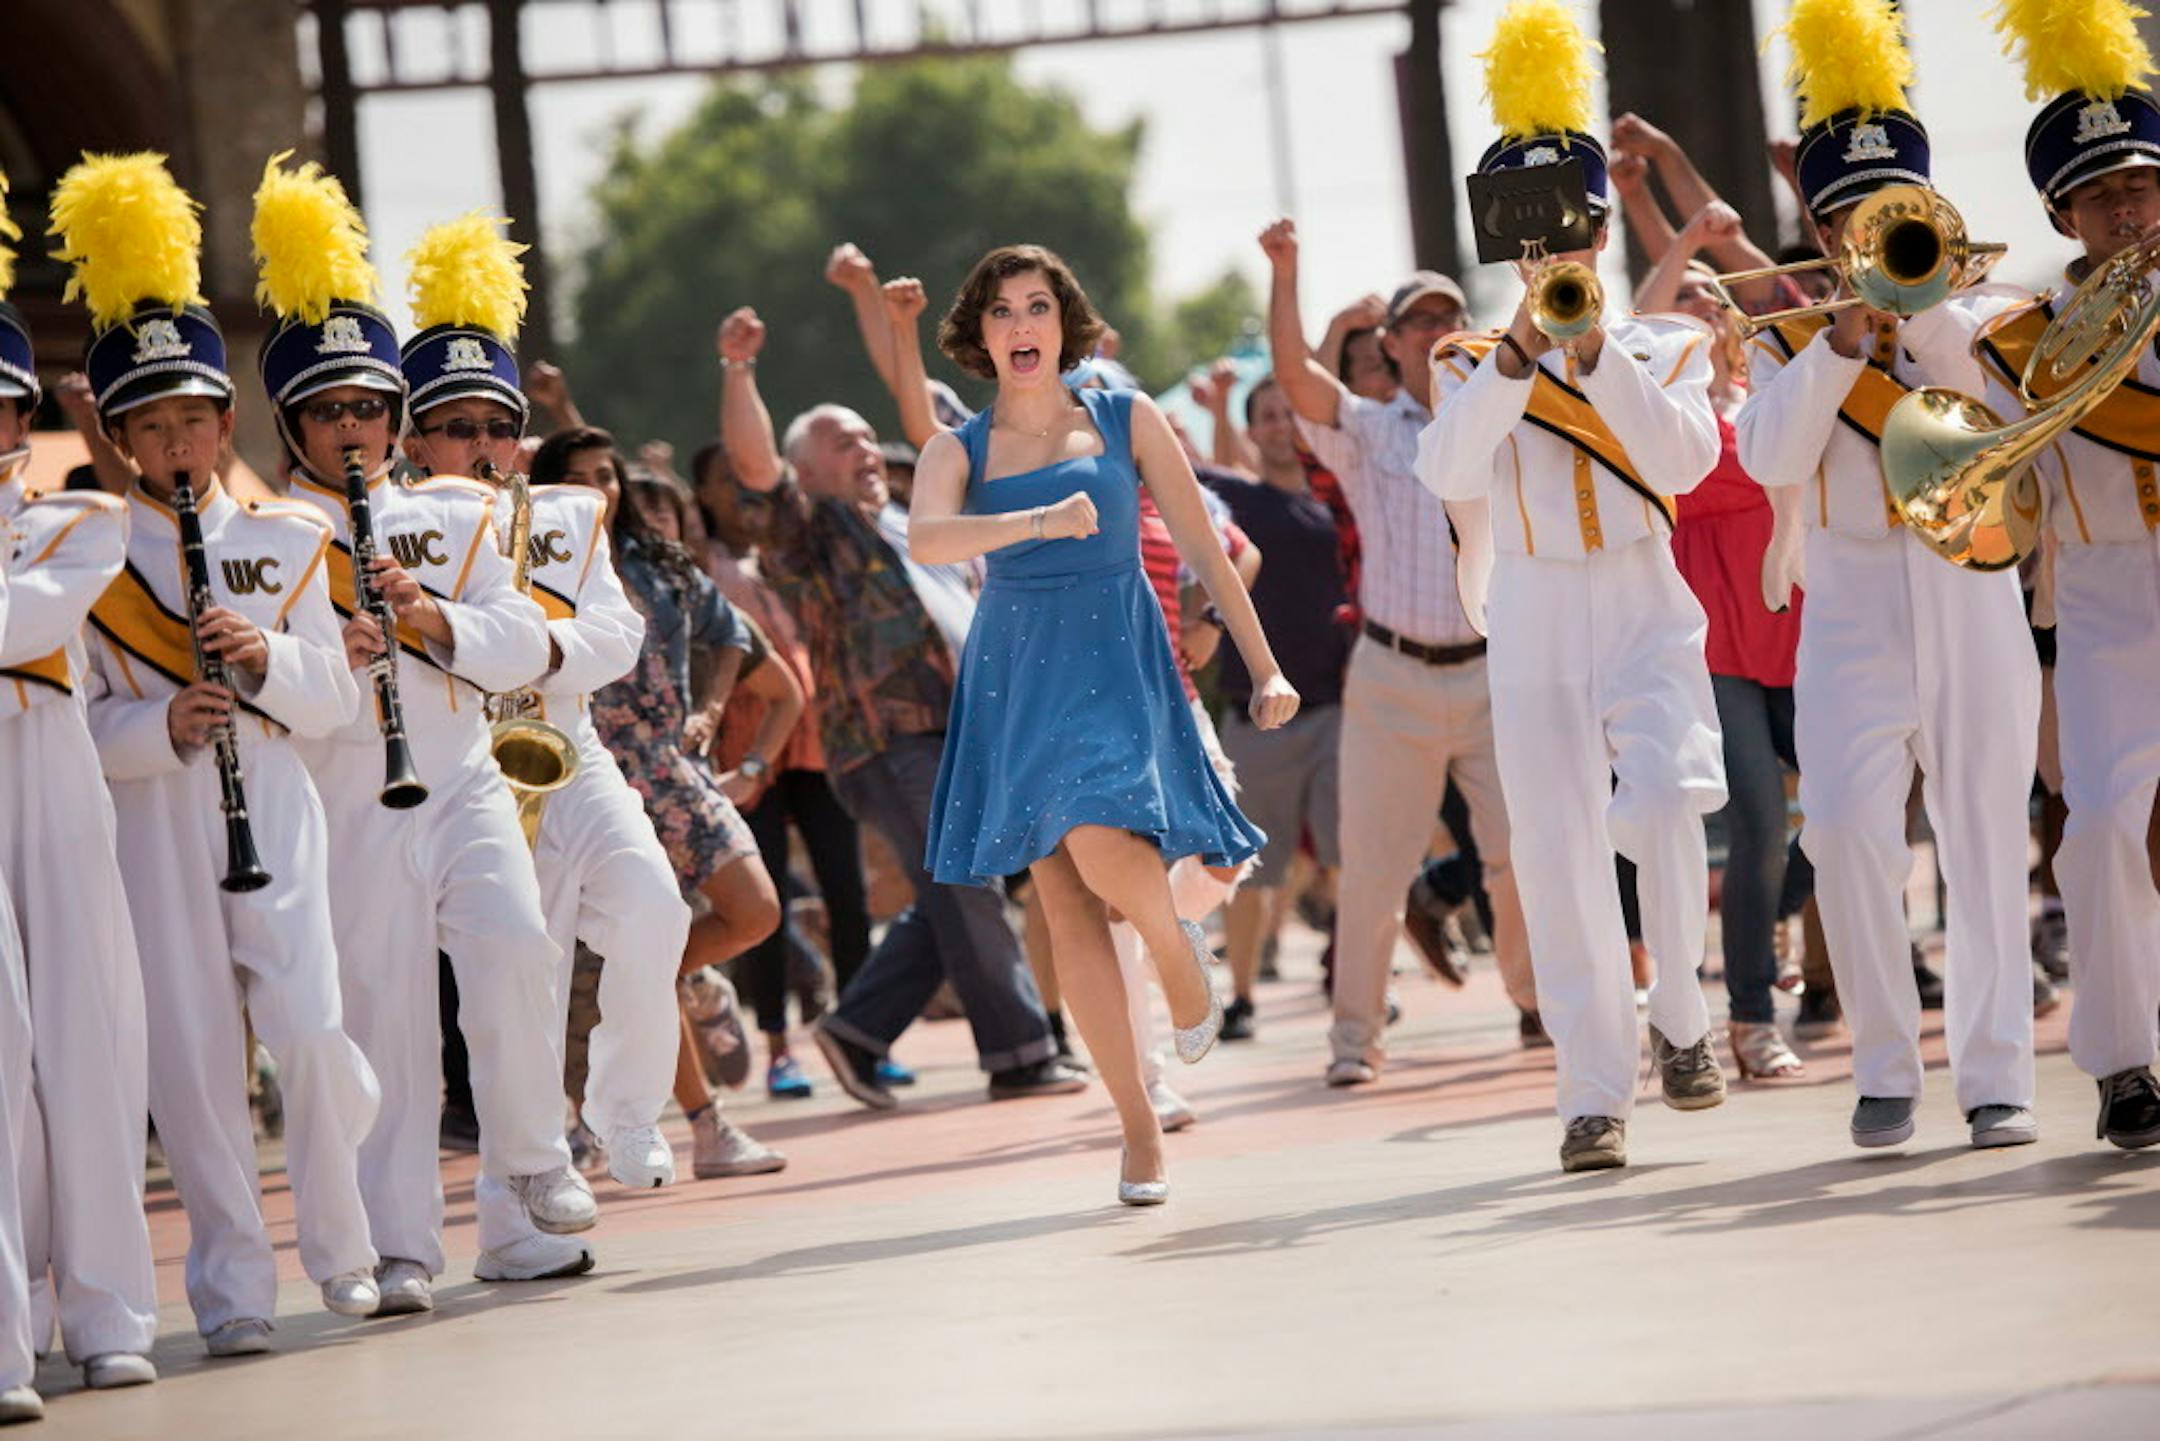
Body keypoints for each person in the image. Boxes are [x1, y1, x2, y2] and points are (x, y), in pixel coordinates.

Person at [58, 152, 385, 1352]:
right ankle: (234, 1290)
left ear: (225, 420)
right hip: (156, 822)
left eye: (193, 417)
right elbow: (77, 729)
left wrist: (265, 659)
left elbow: (338, 702)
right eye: (153, 424)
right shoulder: (87, 555)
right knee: (194, 1062)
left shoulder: (289, 537)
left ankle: (344, 1251)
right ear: (122, 438)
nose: (178, 440)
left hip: (276, 806)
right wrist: (161, 726)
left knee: (310, 1025)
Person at [265, 187, 598, 1310]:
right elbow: (263, 686)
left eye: (370, 406)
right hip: (345, 791)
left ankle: (533, 1158)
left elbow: (523, 643)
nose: (352, 428)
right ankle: (400, 1244)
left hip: (457, 773)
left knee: (515, 944)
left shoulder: (454, 513)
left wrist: (429, 616)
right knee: (387, 1018)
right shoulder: (264, 535)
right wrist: (334, 650)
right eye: (328, 412)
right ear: (292, 425)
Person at [908, 242, 1296, 1202]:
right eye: (1002, 310)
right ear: (980, 334)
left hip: (1119, 656)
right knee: (1062, 897)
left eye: (1037, 306)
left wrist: (1265, 665)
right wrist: (1035, 524)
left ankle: (1169, 942)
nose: (1021, 324)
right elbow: (927, 537)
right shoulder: (957, 449)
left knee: (1095, 837)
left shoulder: (1128, 418)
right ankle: (1138, 1129)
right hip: (1016, 672)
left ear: (1065, 322)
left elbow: (1206, 545)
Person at [1417, 1, 1728, 1173]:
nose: (1555, 252)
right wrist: (1517, 349)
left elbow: (1684, 462)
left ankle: (1681, 1014)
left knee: (1666, 799)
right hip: (1536, 604)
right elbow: (1447, 469)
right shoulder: (1467, 361)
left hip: (1643, 592)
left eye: (1572, 231)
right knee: (1554, 852)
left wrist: (1593, 349)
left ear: (1600, 231)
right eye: (1533, 238)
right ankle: (1593, 1094)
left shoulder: (1666, 344)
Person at [1734, 0, 2041, 1152]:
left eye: (1893, 205)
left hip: (1968, 586)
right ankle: (1883, 1066)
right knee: (1850, 833)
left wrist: (1926, 320)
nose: (1871, 226)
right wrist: (1844, 341)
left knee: (1983, 833)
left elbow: (2009, 422)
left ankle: (1998, 1075)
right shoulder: (1786, 341)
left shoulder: (1984, 317)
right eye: (1850, 212)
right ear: (1819, 228)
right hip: (1852, 594)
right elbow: (1769, 458)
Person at [716, 305, 1088, 1109]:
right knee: (968, 883)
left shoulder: (911, 521)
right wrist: (740, 370)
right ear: (805, 471)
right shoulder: (810, 530)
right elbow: (753, 467)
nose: (864, 449)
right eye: (841, 443)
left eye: (865, 436)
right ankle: (1022, 1053)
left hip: (966, 734)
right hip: (890, 740)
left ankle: (857, 1029)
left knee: (957, 889)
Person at [423, 257, 694, 1198]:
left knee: (655, 906)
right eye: (459, 427)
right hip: (469, 764)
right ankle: (537, 1161)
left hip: (569, 749)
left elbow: (618, 632)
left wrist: (534, 650)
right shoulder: (400, 523)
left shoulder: (568, 518)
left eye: (499, 427)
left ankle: (627, 1111)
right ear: (416, 440)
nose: (484, 445)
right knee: (523, 972)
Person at [1262, 224, 1536, 1089]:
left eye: (1449, 315)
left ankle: (1539, 1002)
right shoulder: (1369, 428)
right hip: (1390, 677)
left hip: (1491, 670)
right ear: (1389, 343)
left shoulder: (1511, 411)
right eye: (1419, 320)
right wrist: (1287, 274)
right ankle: (1355, 1040)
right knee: (1374, 873)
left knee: (1520, 854)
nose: (1436, 330)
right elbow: (1295, 378)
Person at [1977, 0, 2160, 1150]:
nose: (2127, 209)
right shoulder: (2023, 339)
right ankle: (2126, 1061)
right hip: (2102, 595)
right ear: (2062, 214)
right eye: (2101, 196)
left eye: (2141, 186)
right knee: (2099, 826)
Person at [0, 272, 160, 1393]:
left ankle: (108, 1313)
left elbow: (31, 619)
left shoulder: (77, 517)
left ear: (21, 415)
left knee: (85, 1037)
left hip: (51, 776)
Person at [560, 441, 790, 1178]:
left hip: (672, 764)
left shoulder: (659, 562)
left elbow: (735, 637)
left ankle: (681, 978)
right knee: (634, 956)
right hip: (593, 774)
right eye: (575, 479)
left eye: (605, 475)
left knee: (757, 911)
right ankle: (707, 1129)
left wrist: (715, 707)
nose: (596, 489)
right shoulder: (536, 564)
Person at [1637, 222, 1808, 1083]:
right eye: (1684, 296)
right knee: (1760, 824)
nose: (1701, 303)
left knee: (1856, 807)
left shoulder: (1770, 387)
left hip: (1799, 624)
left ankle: (1771, 907)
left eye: (1712, 293)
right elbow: (1633, 325)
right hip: (1712, 644)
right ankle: (1751, 1017)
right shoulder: (1659, 408)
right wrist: (1678, 246)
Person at [695, 445, 875, 1100]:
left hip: (816, 742)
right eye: (726, 480)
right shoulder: (698, 562)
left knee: (847, 893)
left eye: (749, 477)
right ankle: (777, 1048)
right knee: (763, 901)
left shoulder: (790, 553)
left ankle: (864, 1036)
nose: (741, 491)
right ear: (703, 494)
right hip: (746, 749)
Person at [1204, 379, 1352, 1039]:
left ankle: (1356, 983)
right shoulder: (1234, 499)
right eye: (1266, 416)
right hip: (1256, 717)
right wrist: (1216, 408)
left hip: (1337, 709)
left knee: (1351, 857)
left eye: (1289, 413)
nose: (1280, 425)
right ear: (1252, 431)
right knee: (1248, 870)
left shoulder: (1338, 501)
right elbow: (1193, 477)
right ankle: (1239, 998)